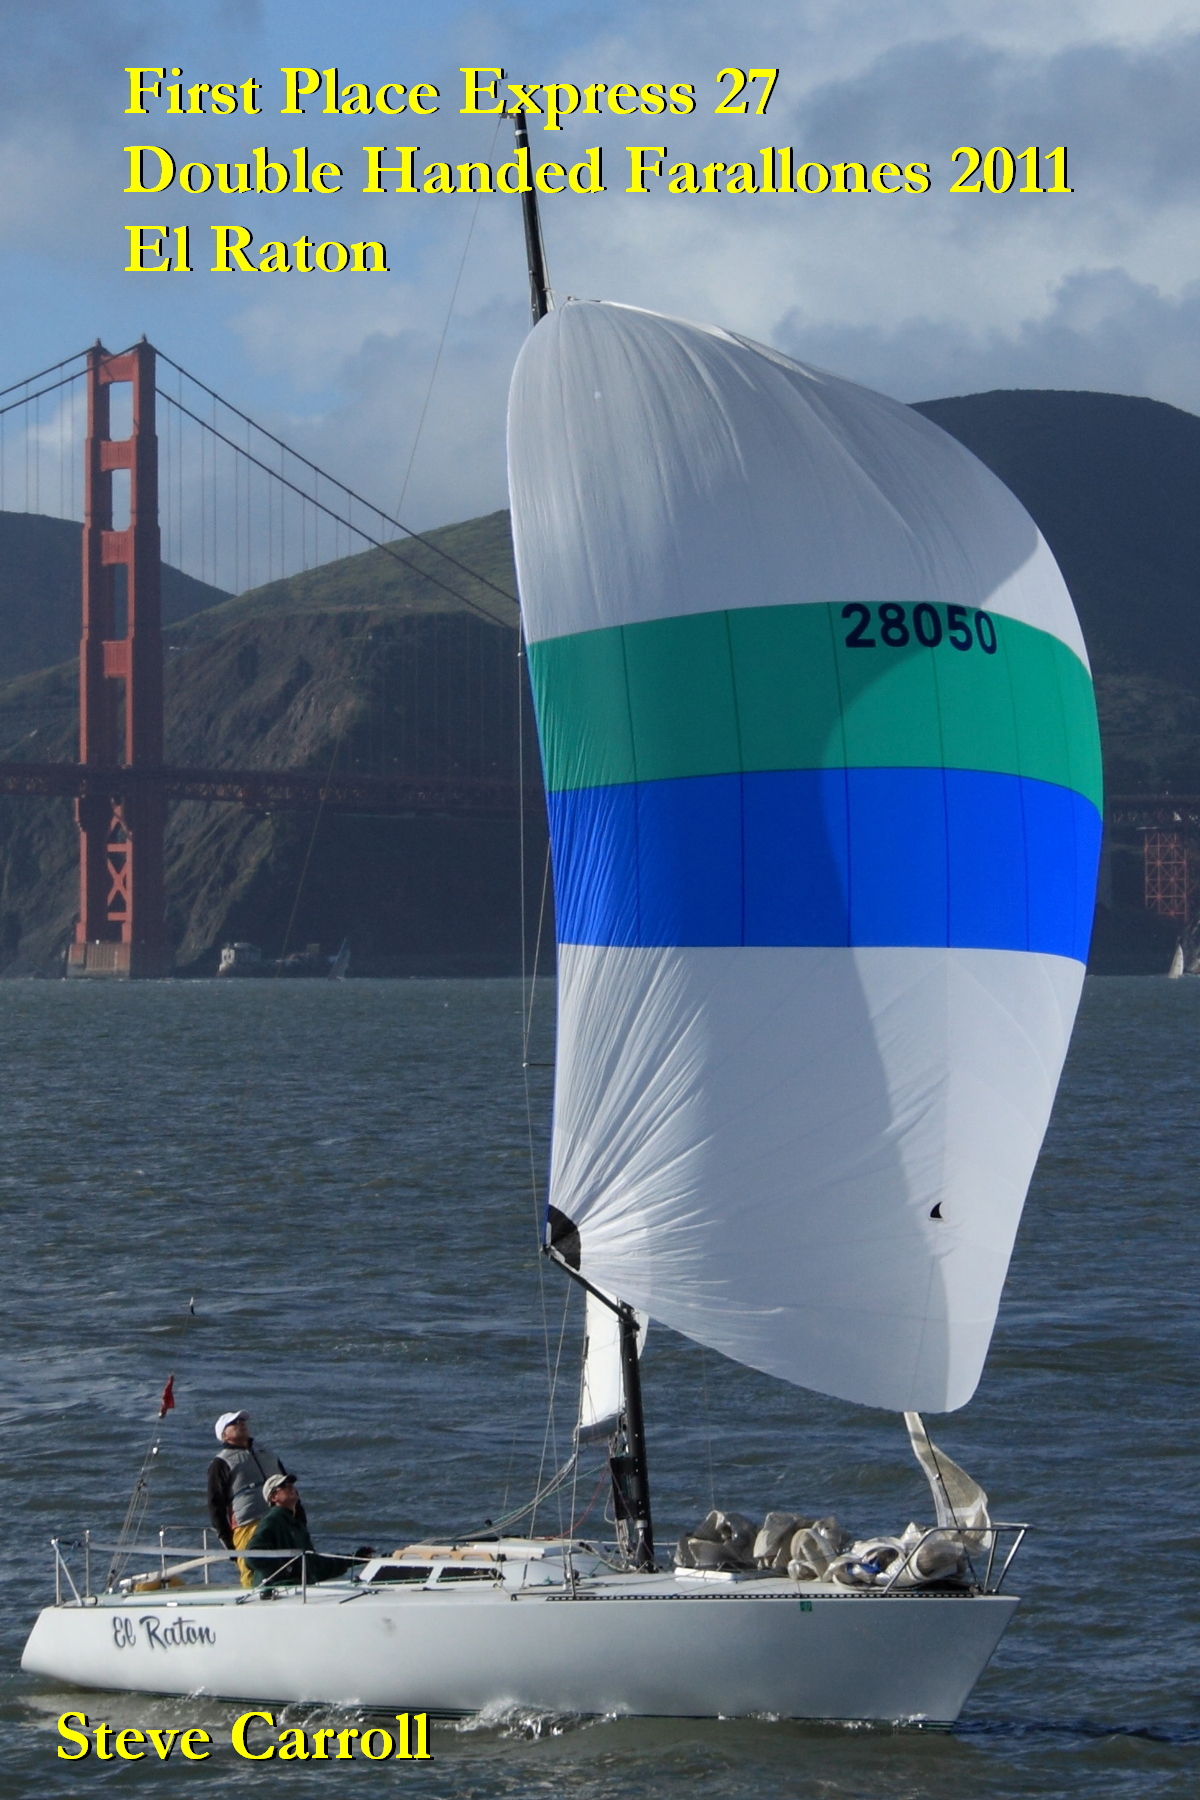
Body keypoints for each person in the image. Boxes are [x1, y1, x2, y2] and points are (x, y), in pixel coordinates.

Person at [206, 1411, 302, 1589]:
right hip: (248, 1524)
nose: (241, 1424)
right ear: (224, 1435)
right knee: (251, 1569)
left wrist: (299, 1520)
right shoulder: (221, 1463)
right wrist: (229, 1543)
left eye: (242, 1421)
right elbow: (215, 1506)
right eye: (234, 1423)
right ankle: (252, 1598)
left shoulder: (268, 1453)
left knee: (291, 1564)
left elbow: (289, 1487)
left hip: (281, 1519)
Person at [245, 1474, 354, 1588]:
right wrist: (287, 1570)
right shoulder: (273, 1519)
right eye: (283, 1485)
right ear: (273, 1498)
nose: (290, 1486)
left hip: (299, 1589)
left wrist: (353, 1559)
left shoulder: (296, 1523)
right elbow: (252, 1556)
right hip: (278, 1591)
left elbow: (313, 1564)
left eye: (291, 1483)